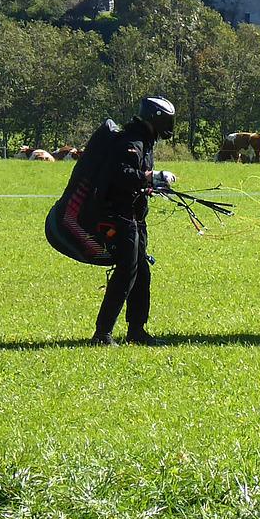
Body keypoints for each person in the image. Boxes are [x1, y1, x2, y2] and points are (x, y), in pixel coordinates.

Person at [92, 96, 180, 346]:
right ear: (156, 118)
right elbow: (120, 175)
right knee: (126, 273)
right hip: (119, 217)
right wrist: (151, 177)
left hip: (134, 216)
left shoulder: (144, 141)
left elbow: (135, 178)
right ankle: (102, 334)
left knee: (141, 272)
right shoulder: (130, 142)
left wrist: (152, 185)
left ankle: (137, 331)